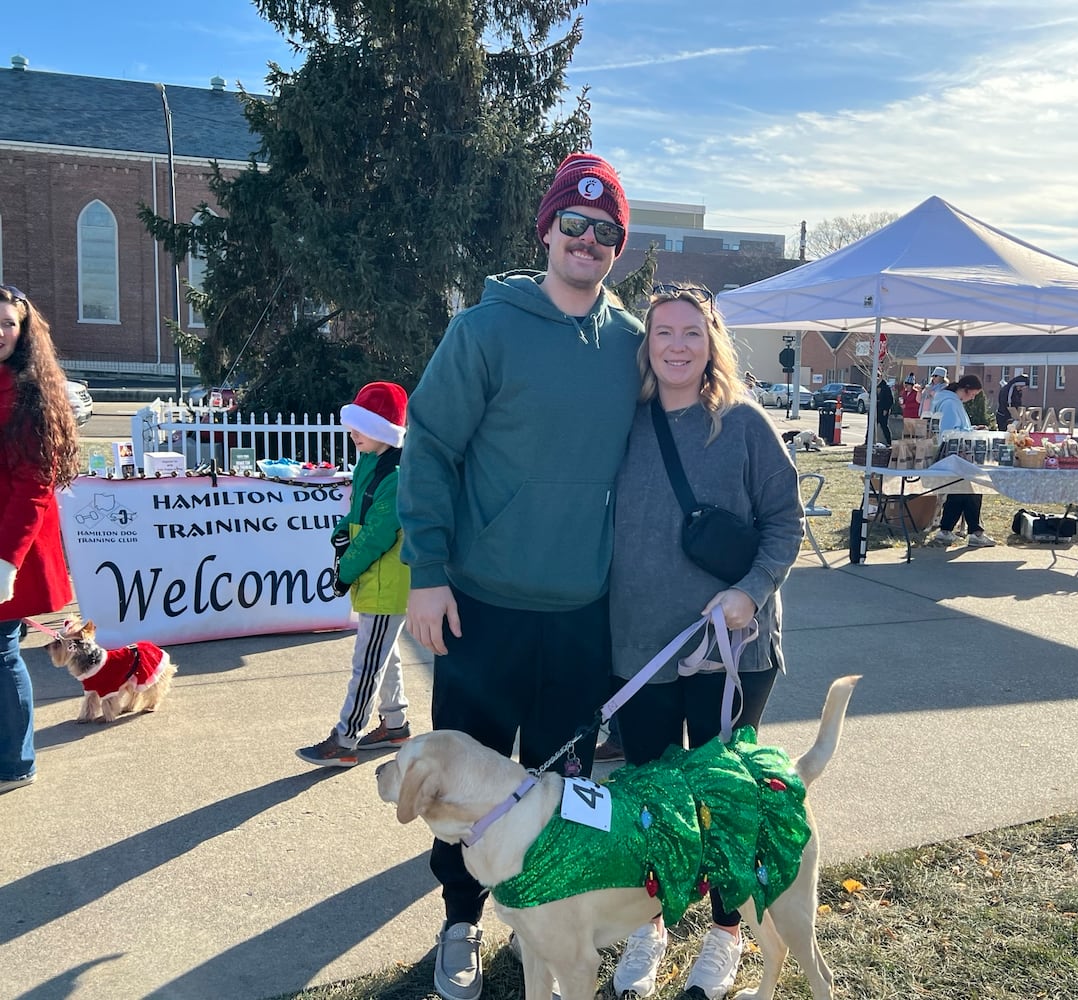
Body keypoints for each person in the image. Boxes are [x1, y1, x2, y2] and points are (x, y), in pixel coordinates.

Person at [398, 152, 642, 1000]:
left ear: (619, 246)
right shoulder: (484, 330)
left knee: (563, 790)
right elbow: (427, 449)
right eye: (571, 224)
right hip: (480, 606)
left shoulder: (635, 346)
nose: (586, 239)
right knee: (466, 779)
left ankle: (550, 915)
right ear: (545, 230)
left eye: (604, 230)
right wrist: (426, 572)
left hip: (581, 612)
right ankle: (460, 918)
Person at [608, 282, 803, 1000]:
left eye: (691, 332)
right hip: (639, 648)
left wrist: (749, 592)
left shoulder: (743, 424)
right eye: (663, 333)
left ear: (711, 340)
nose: (677, 346)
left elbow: (785, 523)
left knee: (721, 796)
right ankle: (650, 921)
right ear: (646, 343)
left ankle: (724, 933)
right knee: (653, 795)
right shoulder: (621, 424)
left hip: (732, 651)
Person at [297, 381, 413, 768]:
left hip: (387, 580)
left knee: (367, 664)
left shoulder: (396, 474)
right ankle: (395, 725)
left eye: (361, 427)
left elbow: (378, 535)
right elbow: (358, 515)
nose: (353, 434)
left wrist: (344, 571)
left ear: (383, 429)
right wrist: (341, 531)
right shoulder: (371, 462)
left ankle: (345, 739)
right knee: (385, 654)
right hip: (376, 579)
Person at [1, 285, 79, 795]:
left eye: (7, 324)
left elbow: (34, 486)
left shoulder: (29, 393)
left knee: (2, 650)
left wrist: (6, 561)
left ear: (24, 330)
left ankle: (17, 763)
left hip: (12, 547)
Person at [927, 374, 996, 548]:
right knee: (972, 487)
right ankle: (974, 532)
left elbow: (952, 429)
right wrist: (969, 433)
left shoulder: (948, 400)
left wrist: (971, 429)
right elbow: (950, 432)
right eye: (972, 394)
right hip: (954, 454)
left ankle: (948, 530)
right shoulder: (951, 403)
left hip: (952, 454)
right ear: (965, 389)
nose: (972, 398)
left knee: (960, 490)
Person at [875, 376, 896, 446]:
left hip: (883, 410)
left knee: (884, 426)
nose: (877, 379)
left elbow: (890, 400)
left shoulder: (886, 387)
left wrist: (886, 409)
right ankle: (867, 442)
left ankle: (889, 442)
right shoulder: (873, 386)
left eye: (878, 377)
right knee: (871, 426)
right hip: (875, 410)